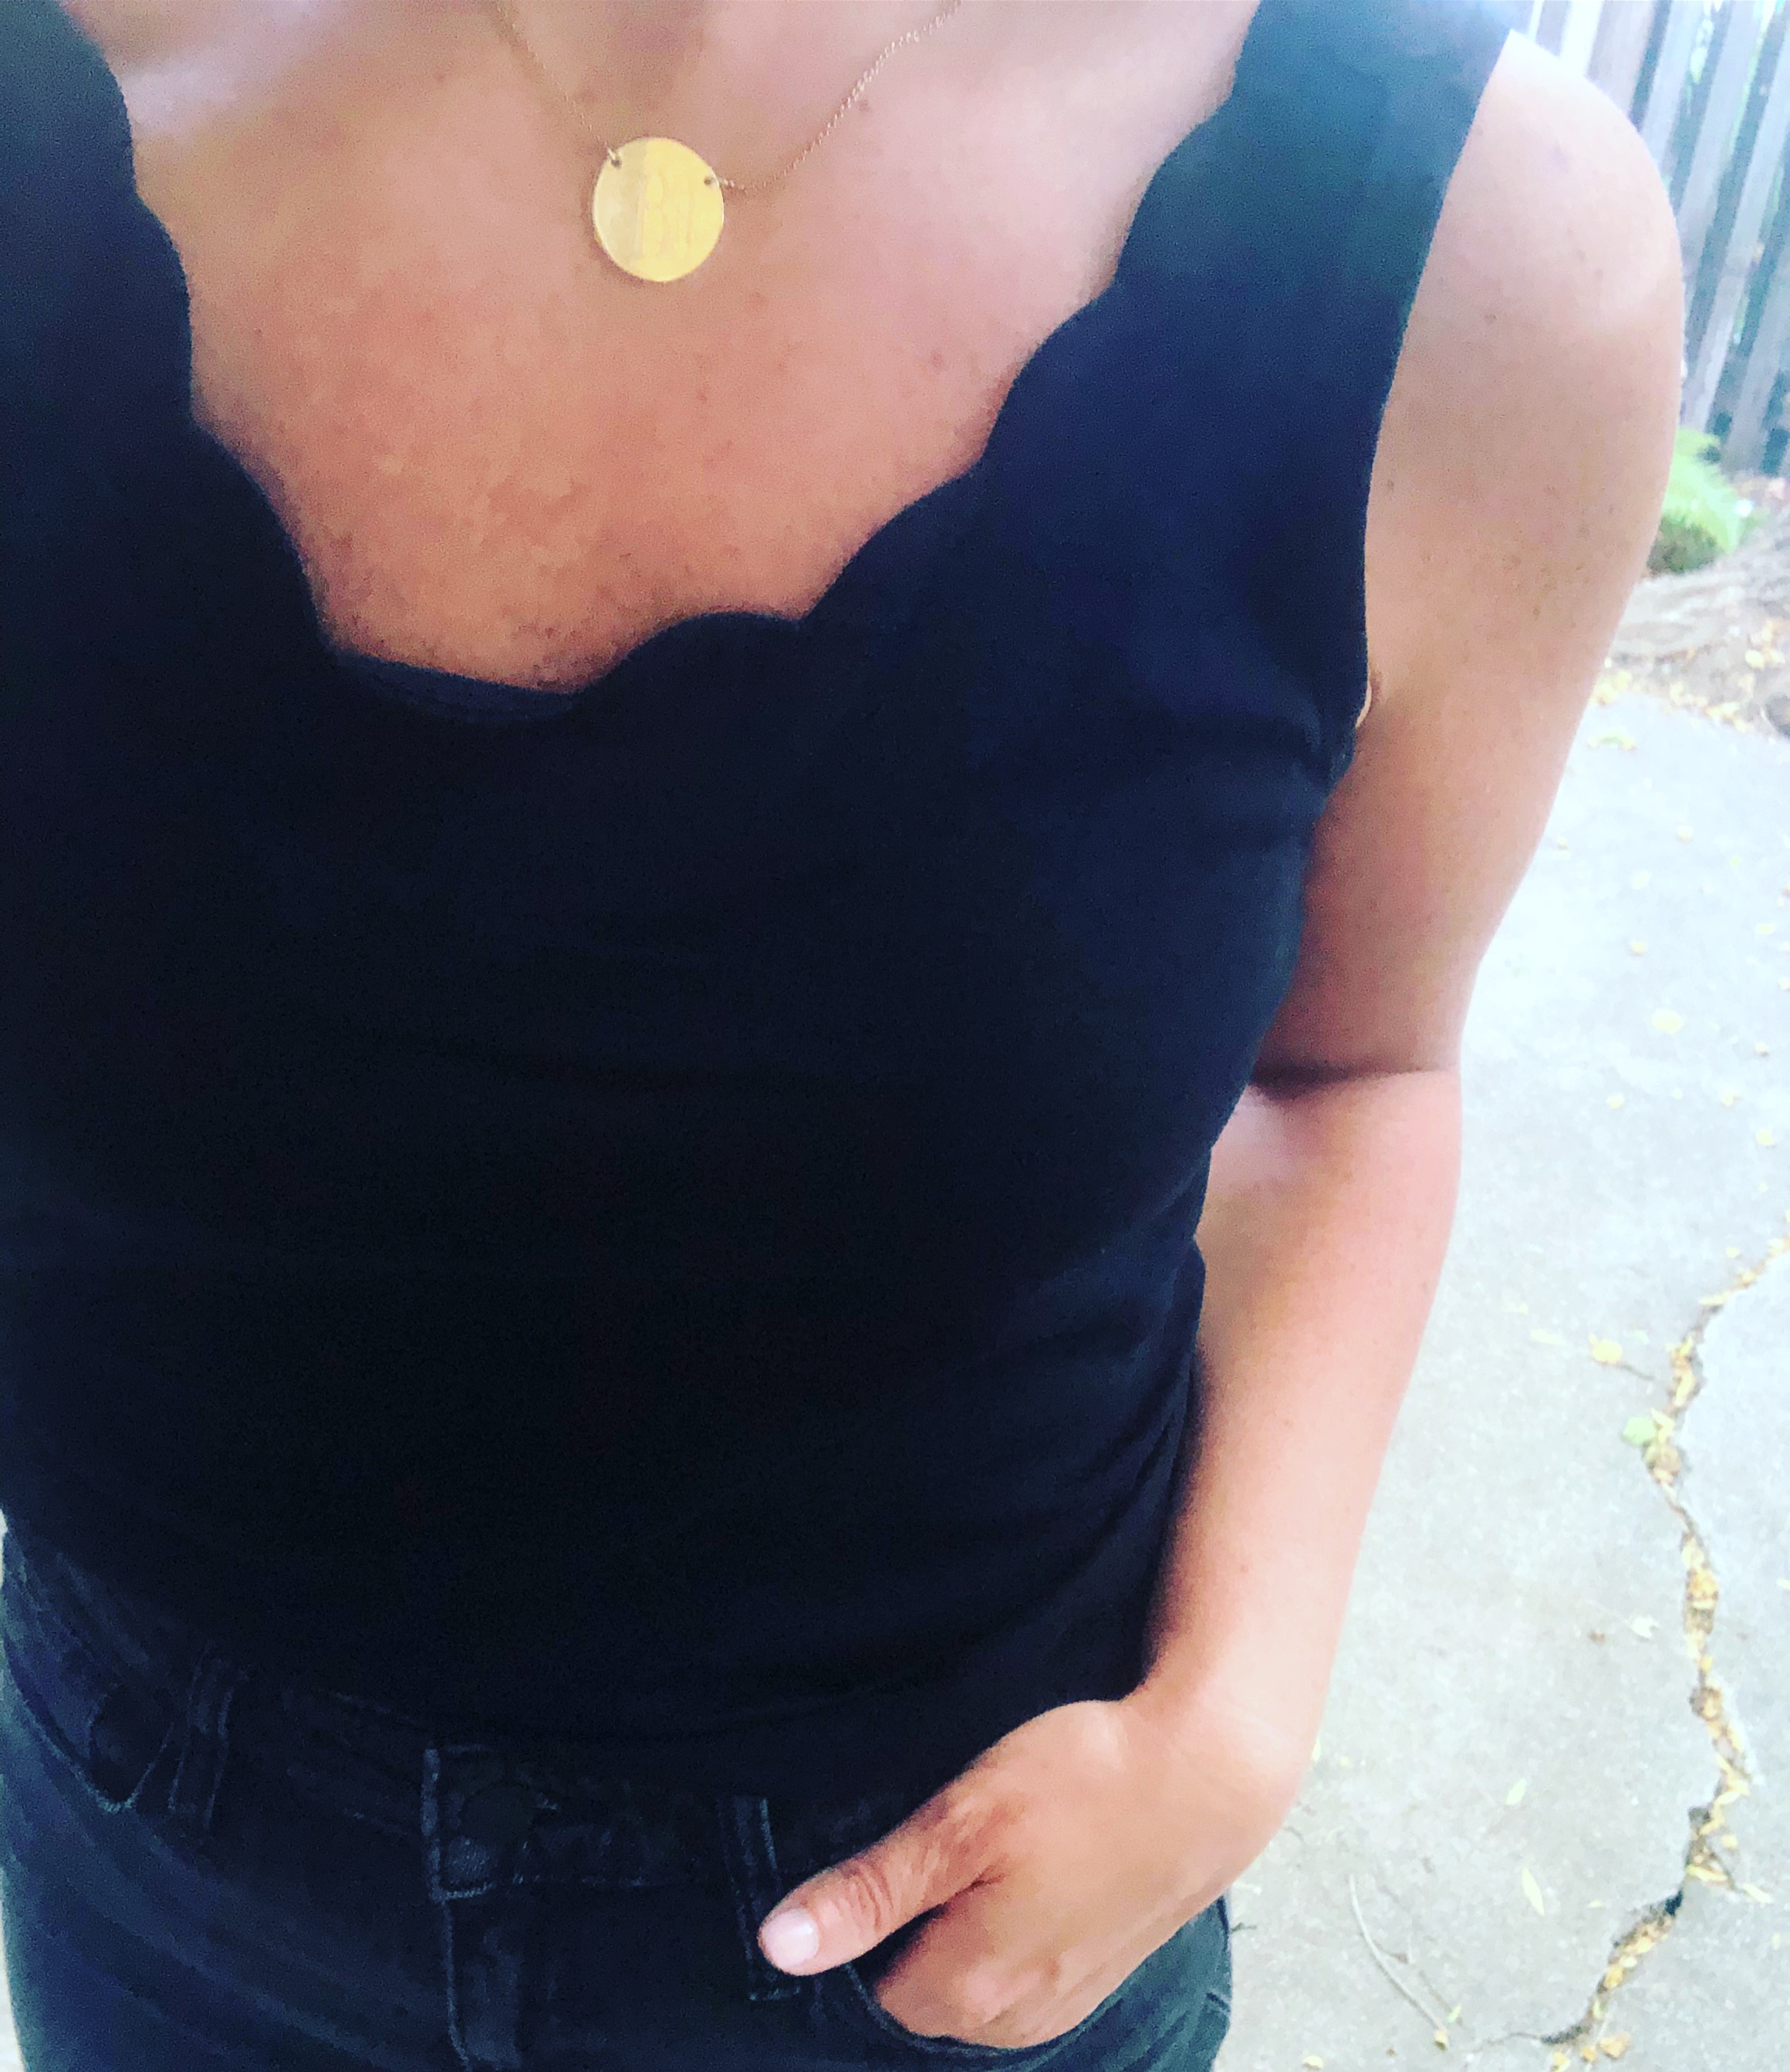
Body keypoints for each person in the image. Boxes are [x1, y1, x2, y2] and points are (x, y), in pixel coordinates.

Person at [0, 0, 1680, 2066]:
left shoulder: (1477, 249)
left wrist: (1236, 1716)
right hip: (141, 1848)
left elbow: (1348, 1069)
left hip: (938, 1919)